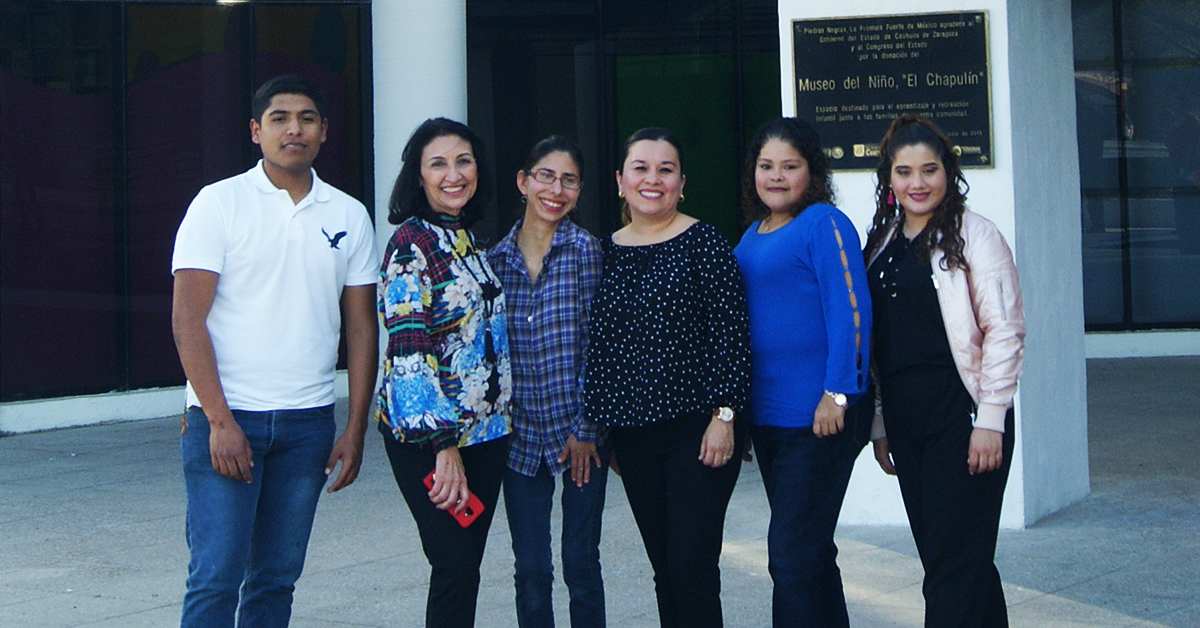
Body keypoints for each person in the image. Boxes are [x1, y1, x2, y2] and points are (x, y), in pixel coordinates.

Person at [171, 74, 379, 627]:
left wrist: (354, 427)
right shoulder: (218, 203)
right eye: (280, 118)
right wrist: (218, 420)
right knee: (216, 576)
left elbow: (361, 330)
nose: (295, 129)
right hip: (227, 416)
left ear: (325, 131)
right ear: (255, 131)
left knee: (276, 579)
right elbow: (188, 319)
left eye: (307, 118)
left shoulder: (349, 214)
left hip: (307, 424)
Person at [584, 127, 751, 628]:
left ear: (682, 182)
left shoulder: (705, 243)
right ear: (620, 181)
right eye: (641, 168)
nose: (652, 179)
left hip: (699, 430)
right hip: (633, 438)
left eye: (665, 169)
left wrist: (725, 416)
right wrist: (605, 431)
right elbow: (601, 348)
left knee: (692, 565)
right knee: (664, 568)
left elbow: (733, 335)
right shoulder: (603, 251)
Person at [864, 114, 1025, 628]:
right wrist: (882, 424)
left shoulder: (976, 235)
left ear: (948, 173)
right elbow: (881, 348)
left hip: (964, 416)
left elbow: (1005, 330)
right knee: (954, 560)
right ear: (889, 178)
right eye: (904, 172)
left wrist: (990, 419)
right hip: (910, 424)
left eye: (929, 170)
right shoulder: (883, 242)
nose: (917, 183)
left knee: (953, 567)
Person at [731, 117, 872, 628]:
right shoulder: (752, 233)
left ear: (811, 173)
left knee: (789, 554)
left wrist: (838, 391)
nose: (776, 176)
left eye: (789, 166)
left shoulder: (824, 224)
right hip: (770, 420)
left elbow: (851, 311)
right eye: (766, 166)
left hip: (819, 420)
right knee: (809, 553)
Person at [376, 117, 512, 628]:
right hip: (433, 439)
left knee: (464, 569)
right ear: (418, 176)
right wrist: (443, 445)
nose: (453, 174)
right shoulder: (411, 244)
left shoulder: (463, 237)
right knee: (454, 565)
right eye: (438, 164)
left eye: (464, 161)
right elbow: (409, 349)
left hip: (489, 433)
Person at [488, 135, 608, 628]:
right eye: (546, 176)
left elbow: (603, 347)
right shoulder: (494, 262)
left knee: (581, 561)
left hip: (580, 435)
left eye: (569, 180)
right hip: (520, 440)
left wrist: (587, 429)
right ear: (523, 182)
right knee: (531, 568)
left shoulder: (588, 252)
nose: (556, 189)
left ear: (579, 191)